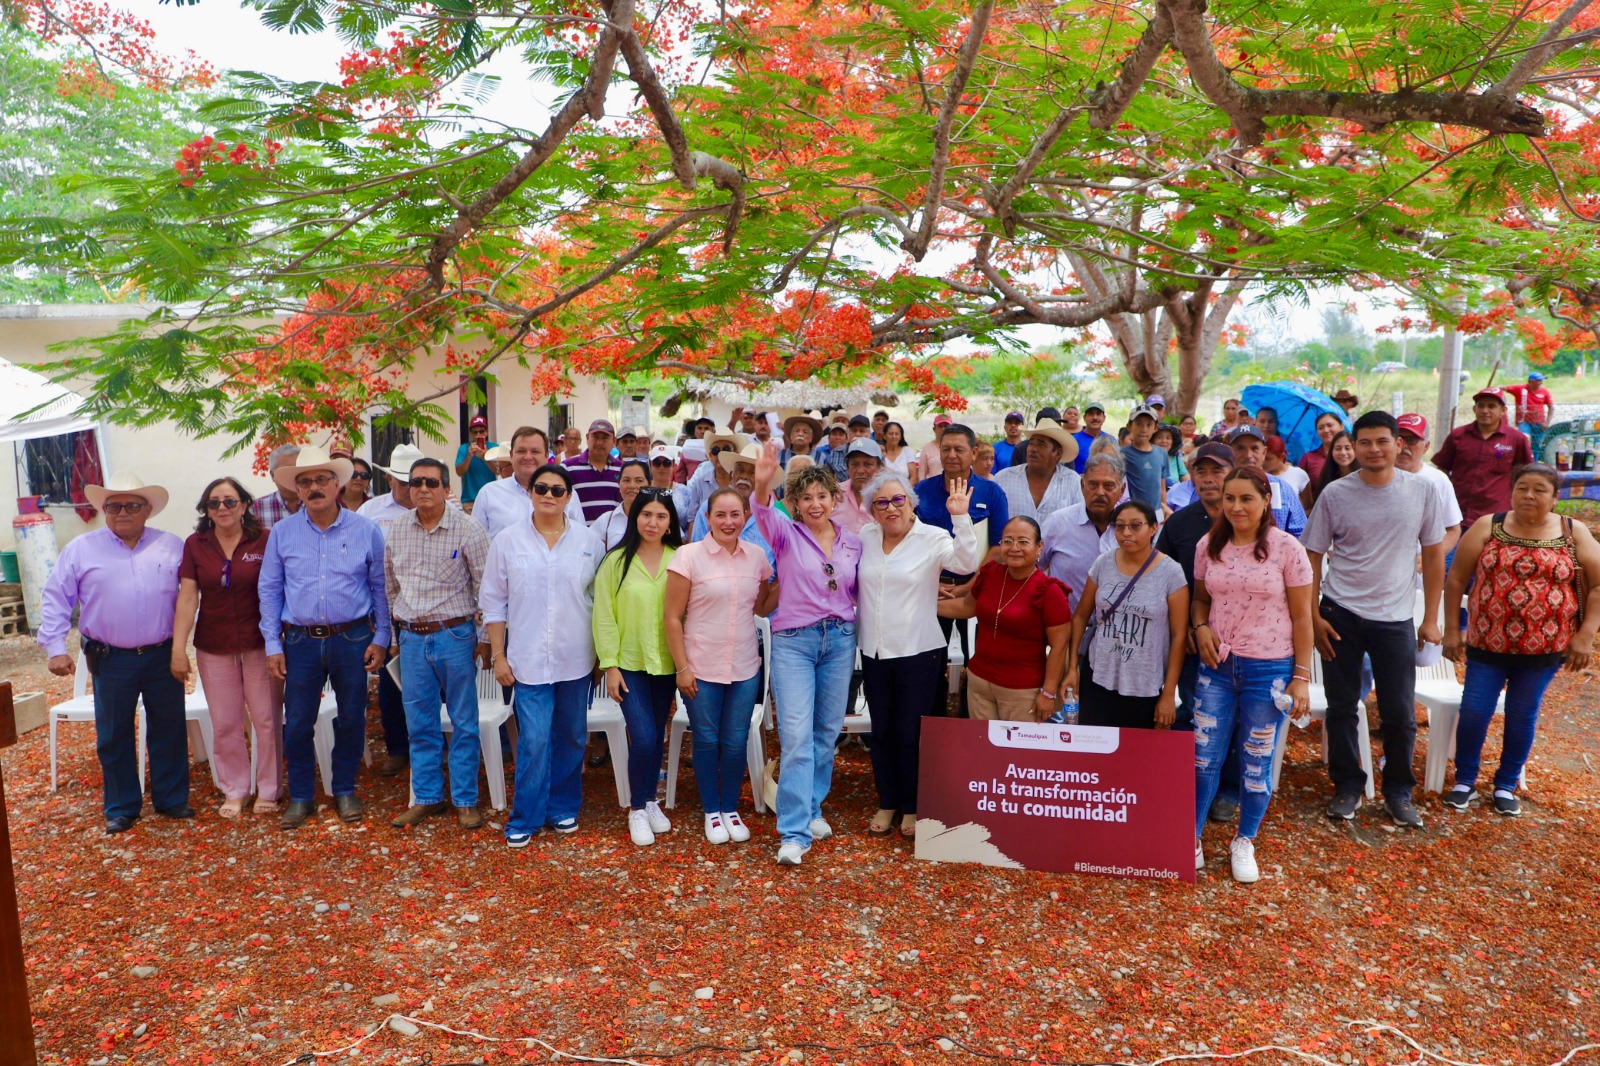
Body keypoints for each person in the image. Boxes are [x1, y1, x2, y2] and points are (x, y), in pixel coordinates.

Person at [1303, 411, 1445, 828]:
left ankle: (1399, 791)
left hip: (1396, 616)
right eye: (1364, 442)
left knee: (1399, 712)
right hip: (1340, 613)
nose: (1373, 449)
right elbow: (1311, 555)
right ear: (1353, 446)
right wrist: (1313, 615)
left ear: (1398, 443)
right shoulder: (1335, 494)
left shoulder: (1422, 491)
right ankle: (1347, 786)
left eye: (1382, 441)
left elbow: (1434, 555)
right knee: (1343, 707)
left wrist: (1430, 617)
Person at [1443, 464, 1600, 816]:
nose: (1529, 495)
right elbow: (1456, 581)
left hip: (1545, 649)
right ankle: (1464, 780)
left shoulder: (1574, 532)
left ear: (1555, 496)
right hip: (1487, 645)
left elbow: (1599, 585)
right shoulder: (1488, 525)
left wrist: (1586, 636)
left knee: (1521, 715)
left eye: (1539, 489)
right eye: (1522, 488)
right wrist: (1452, 630)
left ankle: (1505, 784)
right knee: (1473, 712)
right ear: (1511, 492)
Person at [40, 473, 188, 834]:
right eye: (113, 505)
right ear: (104, 509)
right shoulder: (81, 549)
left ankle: (171, 800)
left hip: (162, 654)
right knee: (113, 733)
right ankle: (122, 806)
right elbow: (56, 597)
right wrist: (55, 647)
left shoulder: (172, 546)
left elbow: (190, 597)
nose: (122, 511)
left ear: (147, 510)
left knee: (169, 728)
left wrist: (185, 646)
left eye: (131, 505)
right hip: (110, 657)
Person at [1189, 467, 1314, 882]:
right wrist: (1200, 627)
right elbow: (1200, 600)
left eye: (1246, 498)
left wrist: (1301, 676)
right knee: (1203, 758)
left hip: (1271, 670)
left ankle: (1244, 840)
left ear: (1266, 500)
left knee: (1255, 761)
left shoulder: (1286, 549)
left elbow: (1302, 617)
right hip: (1217, 667)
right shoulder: (1209, 545)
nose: (1237, 507)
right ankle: (1190, 838)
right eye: (1230, 499)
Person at [258, 446, 391, 830]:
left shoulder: (366, 530)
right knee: (298, 722)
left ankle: (344, 789)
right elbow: (270, 591)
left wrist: (381, 636)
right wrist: (272, 645)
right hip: (299, 642)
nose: (313, 487)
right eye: (305, 482)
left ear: (338, 484)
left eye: (321, 479)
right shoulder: (282, 533)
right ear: (296, 490)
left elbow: (380, 587)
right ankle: (301, 797)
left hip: (351, 638)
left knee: (352, 717)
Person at [480, 463, 602, 847]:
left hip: (576, 658)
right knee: (533, 740)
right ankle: (526, 816)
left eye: (557, 489)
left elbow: (600, 602)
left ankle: (562, 806)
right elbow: (494, 604)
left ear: (568, 497)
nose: (549, 495)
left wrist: (602, 656)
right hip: (527, 660)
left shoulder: (588, 542)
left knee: (572, 735)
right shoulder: (507, 541)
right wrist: (498, 655)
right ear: (530, 492)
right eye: (541, 488)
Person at [753, 445, 864, 866]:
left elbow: (859, 591)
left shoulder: (853, 542)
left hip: (838, 640)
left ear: (834, 500)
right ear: (795, 504)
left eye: (822, 496)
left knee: (825, 733)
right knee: (796, 737)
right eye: (806, 497)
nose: (815, 504)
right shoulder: (784, 533)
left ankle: (813, 807)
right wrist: (765, 480)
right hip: (795, 642)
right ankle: (794, 832)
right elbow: (762, 509)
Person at [856, 471, 978, 838]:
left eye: (898, 500)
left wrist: (960, 516)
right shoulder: (866, 536)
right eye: (881, 502)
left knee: (911, 732)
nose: (891, 508)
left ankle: (912, 805)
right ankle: (887, 800)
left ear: (911, 503)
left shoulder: (933, 537)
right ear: (872, 510)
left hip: (918, 651)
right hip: (875, 649)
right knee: (882, 731)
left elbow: (965, 563)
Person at [665, 488, 778, 847]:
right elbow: (671, 617)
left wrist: (789, 575)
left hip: (744, 665)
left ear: (745, 516)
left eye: (735, 515)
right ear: (707, 518)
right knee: (708, 739)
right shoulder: (689, 556)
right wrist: (682, 668)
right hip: (701, 666)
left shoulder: (757, 556)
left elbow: (761, 608)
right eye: (720, 515)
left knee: (735, 741)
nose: (728, 522)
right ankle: (711, 811)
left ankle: (731, 808)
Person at [383, 457, 491, 830]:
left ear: (447, 488)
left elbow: (485, 588)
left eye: (431, 482)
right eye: (416, 483)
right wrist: (396, 640)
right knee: (420, 722)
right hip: (412, 638)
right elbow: (389, 587)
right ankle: (427, 798)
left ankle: (465, 800)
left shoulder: (469, 529)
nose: (423, 489)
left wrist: (484, 639)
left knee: (463, 721)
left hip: (455, 636)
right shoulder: (397, 529)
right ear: (408, 489)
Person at [171, 477, 279, 819]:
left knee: (266, 718)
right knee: (226, 721)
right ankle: (234, 789)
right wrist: (178, 648)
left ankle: (269, 788)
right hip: (214, 645)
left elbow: (278, 591)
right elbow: (188, 597)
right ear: (206, 510)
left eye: (230, 501)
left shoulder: (265, 540)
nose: (222, 508)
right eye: (214, 503)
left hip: (260, 642)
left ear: (245, 505)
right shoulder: (195, 544)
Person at [593, 488, 683, 846]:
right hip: (629, 661)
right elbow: (603, 616)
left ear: (670, 522)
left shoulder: (680, 558)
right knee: (643, 736)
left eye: (661, 516)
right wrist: (610, 665)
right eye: (647, 515)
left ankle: (649, 801)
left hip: (665, 661)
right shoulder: (616, 561)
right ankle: (636, 808)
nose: (653, 522)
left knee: (656, 734)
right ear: (635, 518)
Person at [1065, 501, 1189, 728]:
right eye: (1119, 526)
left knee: (1135, 757)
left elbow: (1179, 636)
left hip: (1144, 684)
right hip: (1097, 675)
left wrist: (1169, 693)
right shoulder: (1103, 563)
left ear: (1153, 528)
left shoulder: (1171, 573)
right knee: (1094, 751)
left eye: (1135, 526)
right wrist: (1073, 668)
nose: (1126, 533)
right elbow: (1081, 616)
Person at [940, 517, 1071, 722]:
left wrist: (1048, 693)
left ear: (1039, 547)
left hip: (1021, 691)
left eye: (1023, 541)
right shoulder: (990, 574)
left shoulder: (1050, 591)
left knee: (1017, 753)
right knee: (982, 748)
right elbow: (967, 607)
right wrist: (924, 606)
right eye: (1007, 541)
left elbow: (1059, 646)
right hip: (979, 683)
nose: (1014, 547)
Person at [1155, 441, 1234, 733]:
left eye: (1218, 470)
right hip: (1192, 640)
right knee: (1194, 714)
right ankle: (1192, 778)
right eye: (1201, 471)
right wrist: (1184, 628)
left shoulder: (1247, 520)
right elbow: (1163, 581)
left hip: (1242, 641)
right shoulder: (1178, 523)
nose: (1208, 478)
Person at [1432, 387, 1534, 529]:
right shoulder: (1458, 436)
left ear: (1503, 411)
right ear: (1474, 409)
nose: (1485, 410)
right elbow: (1441, 469)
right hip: (1457, 515)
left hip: (1496, 517)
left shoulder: (1516, 439)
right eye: (1481, 406)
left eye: (1491, 406)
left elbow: (1526, 472)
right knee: (1452, 551)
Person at [1040, 451, 1126, 614]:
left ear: (1122, 490)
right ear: (1082, 486)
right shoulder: (1058, 522)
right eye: (1093, 485)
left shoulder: (1131, 528)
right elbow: (1033, 568)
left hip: (1115, 633)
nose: (1100, 492)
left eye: (1108, 486)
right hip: (1064, 627)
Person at [473, 427, 583, 539]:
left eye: (535, 451)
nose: (528, 457)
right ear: (511, 455)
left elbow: (580, 539)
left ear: (546, 456)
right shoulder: (488, 494)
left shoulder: (565, 494)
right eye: (521, 451)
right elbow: (476, 544)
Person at [688, 442, 777, 567]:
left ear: (764, 479)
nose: (744, 476)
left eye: (753, 472)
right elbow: (697, 555)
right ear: (731, 476)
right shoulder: (709, 507)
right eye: (740, 470)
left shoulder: (777, 519)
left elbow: (784, 568)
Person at [1395, 414, 1463, 559]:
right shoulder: (1373, 477)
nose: (1404, 445)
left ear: (1426, 446)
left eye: (1411, 440)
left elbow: (1452, 529)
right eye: (1398, 439)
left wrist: (1428, 559)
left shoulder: (1438, 480)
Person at [993, 418, 1081, 523]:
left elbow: (1079, 521)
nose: (1033, 449)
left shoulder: (1072, 481)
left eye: (1041, 444)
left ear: (1057, 454)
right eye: (1031, 443)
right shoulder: (1003, 478)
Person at [1226, 426, 1308, 537]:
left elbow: (1301, 534)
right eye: (1240, 448)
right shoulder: (1220, 487)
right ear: (1230, 452)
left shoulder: (1283, 488)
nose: (1248, 455)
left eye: (1254, 448)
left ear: (1264, 452)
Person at [564, 419, 623, 522]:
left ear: (614, 441)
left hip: (613, 536)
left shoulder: (623, 469)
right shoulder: (567, 468)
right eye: (595, 437)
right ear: (587, 438)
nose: (599, 442)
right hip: (580, 536)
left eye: (605, 438)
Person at [593, 459, 651, 550]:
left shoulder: (659, 518)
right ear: (619, 484)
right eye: (626, 480)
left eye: (639, 481)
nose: (632, 486)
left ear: (649, 484)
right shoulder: (606, 520)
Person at [1121, 404, 1167, 511]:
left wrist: (1164, 507)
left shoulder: (1161, 453)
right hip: (1133, 512)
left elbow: (1162, 487)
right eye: (1138, 424)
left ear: (1155, 428)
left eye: (1149, 425)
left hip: (1156, 512)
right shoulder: (1122, 454)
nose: (1143, 429)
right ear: (1129, 426)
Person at [833, 438, 883, 534]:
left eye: (867, 464)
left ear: (880, 467)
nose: (860, 471)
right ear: (847, 467)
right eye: (855, 464)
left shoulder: (888, 499)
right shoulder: (833, 493)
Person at [1503, 370, 1555, 459]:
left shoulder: (1544, 391)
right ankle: (1522, 460)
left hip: (1539, 422)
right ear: (1531, 381)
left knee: (1537, 444)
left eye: (1541, 380)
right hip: (1524, 421)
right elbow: (1504, 388)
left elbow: (1551, 407)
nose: (1541, 382)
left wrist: (1547, 422)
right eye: (1538, 380)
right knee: (1524, 440)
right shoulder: (1520, 389)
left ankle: (1534, 463)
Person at [251, 444, 303, 530]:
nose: (294, 475)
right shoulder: (257, 508)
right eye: (286, 471)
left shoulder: (318, 501)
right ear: (272, 475)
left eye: (298, 470)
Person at [1307, 429, 1359, 509]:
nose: (1343, 453)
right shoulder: (1326, 479)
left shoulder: (1364, 477)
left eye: (1348, 448)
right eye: (1338, 449)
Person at [454, 415, 498, 507]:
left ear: (486, 432)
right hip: (470, 500)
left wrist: (485, 457)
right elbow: (459, 472)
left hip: (491, 498)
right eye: (475, 432)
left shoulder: (494, 447)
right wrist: (469, 456)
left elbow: (498, 471)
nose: (478, 435)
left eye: (481, 431)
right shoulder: (464, 449)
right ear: (470, 433)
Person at [1297, 411, 1346, 487]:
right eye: (1321, 428)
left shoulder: (1352, 455)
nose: (1326, 430)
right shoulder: (1309, 458)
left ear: (1342, 427)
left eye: (1330, 425)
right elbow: (1299, 487)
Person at [1072, 403, 1112, 474]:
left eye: (1098, 414)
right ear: (1084, 418)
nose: (1095, 418)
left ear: (1104, 418)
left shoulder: (1111, 440)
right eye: (1091, 414)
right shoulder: (1074, 440)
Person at [1262, 436, 1307, 500]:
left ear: (1281, 456)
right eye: (1263, 457)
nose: (1264, 462)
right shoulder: (1258, 475)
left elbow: (1308, 507)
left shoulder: (1298, 474)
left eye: (1268, 459)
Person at [917, 414, 952, 481]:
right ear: (934, 429)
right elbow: (922, 473)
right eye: (940, 426)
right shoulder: (926, 449)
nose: (943, 429)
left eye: (946, 426)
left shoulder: (956, 448)